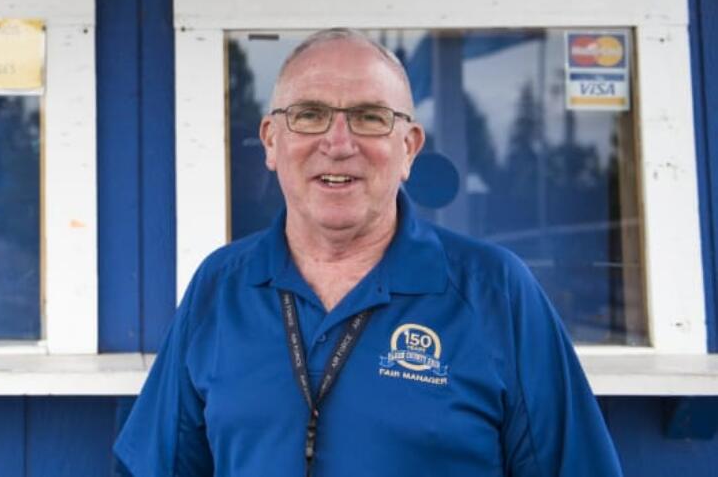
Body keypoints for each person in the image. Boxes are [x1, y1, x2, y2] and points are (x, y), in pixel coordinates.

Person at [114, 29, 622, 476]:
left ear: (409, 147)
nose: (338, 142)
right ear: (271, 141)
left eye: (369, 117)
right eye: (309, 115)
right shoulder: (221, 286)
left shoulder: (495, 291)